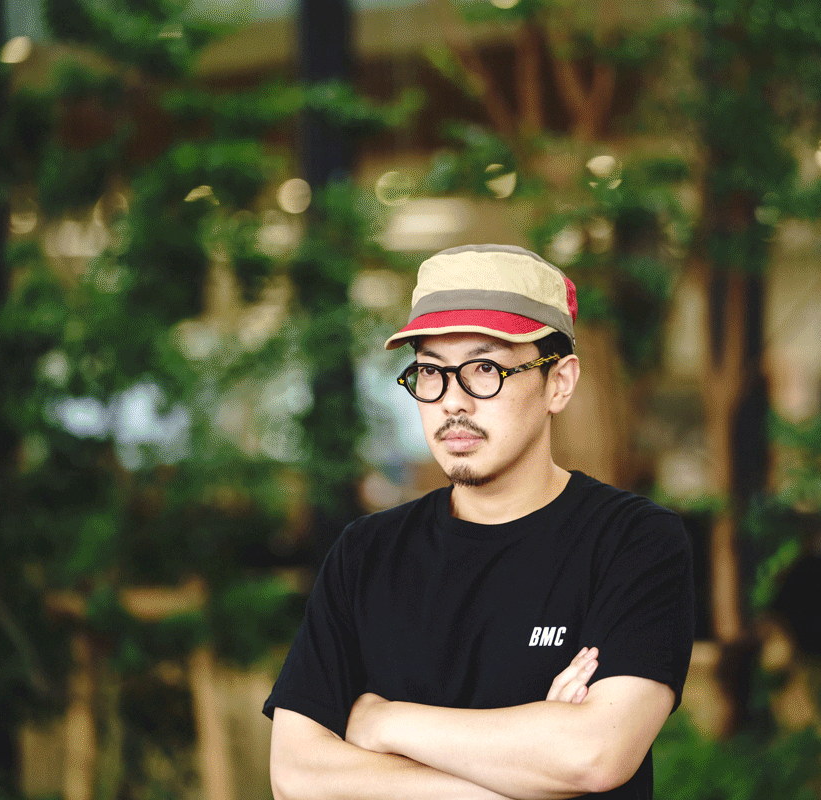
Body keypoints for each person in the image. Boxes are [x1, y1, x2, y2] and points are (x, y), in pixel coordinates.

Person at [264, 243, 694, 800]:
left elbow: (594, 755)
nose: (452, 402)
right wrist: (525, 767)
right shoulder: (366, 553)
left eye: (485, 368)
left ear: (559, 382)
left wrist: (383, 721)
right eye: (430, 372)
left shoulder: (631, 542)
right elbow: (297, 774)